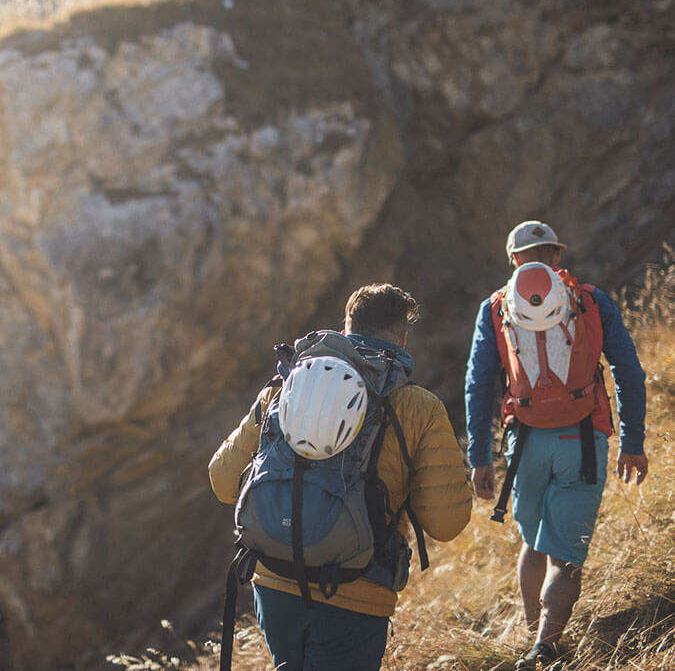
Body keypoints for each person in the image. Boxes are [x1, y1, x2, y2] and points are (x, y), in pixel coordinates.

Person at [209, 283, 472, 671]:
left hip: (275, 582)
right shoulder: (418, 406)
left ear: (346, 328)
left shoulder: (286, 386)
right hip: (356, 593)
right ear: (402, 337)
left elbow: (222, 481)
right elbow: (446, 523)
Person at [465, 221, 648, 670]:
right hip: (582, 440)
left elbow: (478, 384)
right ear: (556, 255)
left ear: (513, 260)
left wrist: (479, 457)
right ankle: (544, 649)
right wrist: (632, 441)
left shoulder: (495, 308)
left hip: (524, 442)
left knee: (534, 542)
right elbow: (628, 371)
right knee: (565, 556)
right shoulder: (590, 300)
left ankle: (533, 636)